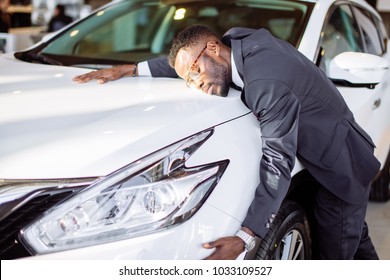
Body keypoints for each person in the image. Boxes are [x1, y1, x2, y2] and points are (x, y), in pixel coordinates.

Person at [73, 25, 381, 260]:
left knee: (335, 257)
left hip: (340, 171)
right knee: (357, 243)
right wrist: (132, 69)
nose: (194, 84)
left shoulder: (266, 83)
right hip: (323, 158)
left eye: (194, 73)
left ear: (213, 48)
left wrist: (247, 236)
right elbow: (187, 60)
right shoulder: (235, 42)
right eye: (187, 78)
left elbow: (277, 161)